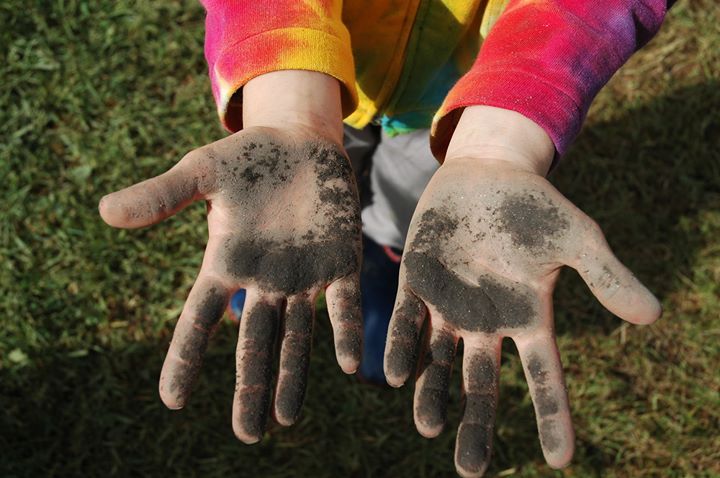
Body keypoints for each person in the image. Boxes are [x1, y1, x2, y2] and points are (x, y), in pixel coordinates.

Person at [99, 1, 671, 476]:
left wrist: (501, 140)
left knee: (410, 207)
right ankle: (321, 252)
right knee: (321, 183)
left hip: (462, 103)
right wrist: (291, 99)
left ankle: (385, 256)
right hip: (318, 67)